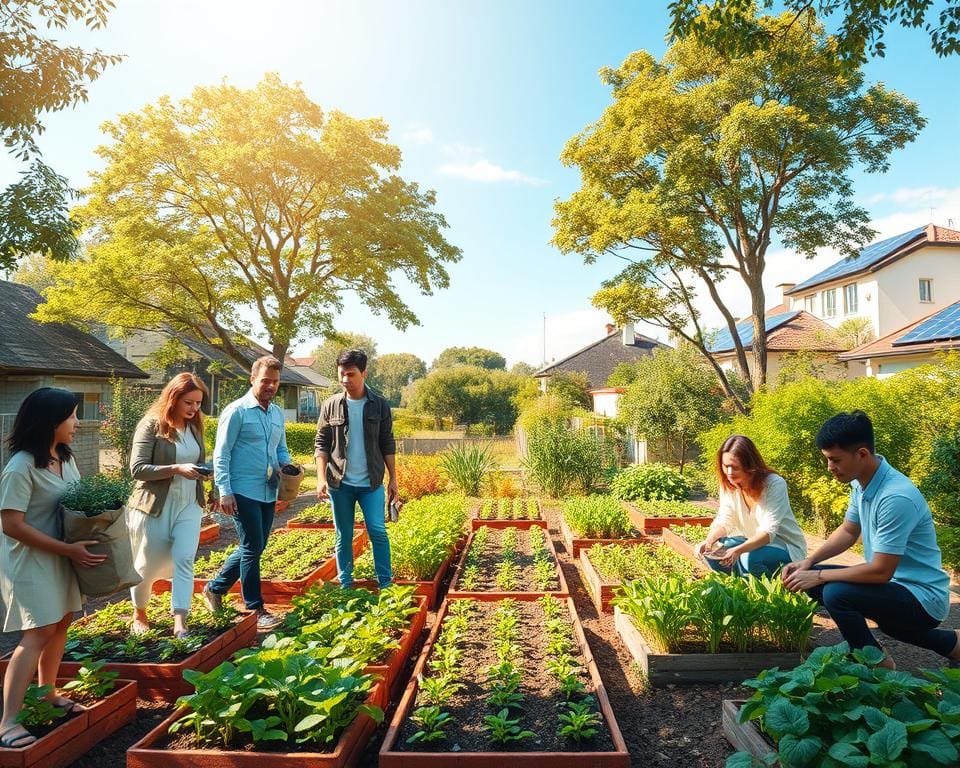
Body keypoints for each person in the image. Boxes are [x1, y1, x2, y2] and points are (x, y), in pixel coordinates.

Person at [783, 411, 959, 669]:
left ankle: (876, 662)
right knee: (809, 580)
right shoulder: (861, 483)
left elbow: (881, 572)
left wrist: (820, 576)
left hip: (922, 597)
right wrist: (808, 562)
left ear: (862, 454)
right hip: (895, 589)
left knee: (836, 592)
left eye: (835, 460)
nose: (830, 467)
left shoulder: (895, 497)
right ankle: (953, 644)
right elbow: (848, 531)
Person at [0, 388, 106, 748]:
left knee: (61, 621)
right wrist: (67, 549)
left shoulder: (64, 457)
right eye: (72, 415)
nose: (78, 422)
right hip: (30, 559)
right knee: (38, 631)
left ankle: (47, 694)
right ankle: (8, 722)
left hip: (64, 554)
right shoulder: (19, 467)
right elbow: (12, 525)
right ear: (50, 420)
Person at [202, 356, 291, 630]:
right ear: (253, 379)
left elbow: (280, 449)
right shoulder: (237, 411)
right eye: (265, 380)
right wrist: (224, 490)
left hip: (268, 489)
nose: (270, 386)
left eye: (275, 382)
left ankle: (215, 588)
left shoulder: (276, 413)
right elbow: (222, 453)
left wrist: (287, 466)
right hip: (242, 490)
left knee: (256, 545)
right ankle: (256, 608)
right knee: (253, 547)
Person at [127, 373, 210, 638]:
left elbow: (199, 461)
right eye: (189, 402)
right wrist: (175, 469)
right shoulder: (151, 425)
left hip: (189, 505)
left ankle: (180, 622)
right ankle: (139, 613)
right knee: (145, 567)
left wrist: (207, 481)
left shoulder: (194, 427)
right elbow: (137, 468)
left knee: (185, 560)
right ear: (173, 398)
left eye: (198, 403)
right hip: (155, 506)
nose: (194, 409)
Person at [315, 349, 397, 589]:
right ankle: (346, 585)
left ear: (364, 373)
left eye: (351, 374)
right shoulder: (330, 406)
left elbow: (387, 442)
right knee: (343, 536)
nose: (345, 380)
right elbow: (321, 443)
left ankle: (385, 585)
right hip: (340, 484)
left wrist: (393, 479)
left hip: (371, 483)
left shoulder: (380, 405)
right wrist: (321, 478)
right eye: (342, 374)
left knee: (378, 531)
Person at [695, 434, 807, 577]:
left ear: (750, 465)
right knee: (714, 553)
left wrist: (738, 550)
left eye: (734, 467)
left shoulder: (774, 484)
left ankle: (773, 590)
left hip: (784, 547)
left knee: (748, 558)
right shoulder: (729, 485)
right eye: (725, 466)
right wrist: (709, 541)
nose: (729, 472)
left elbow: (768, 532)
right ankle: (741, 583)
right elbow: (725, 519)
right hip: (751, 543)